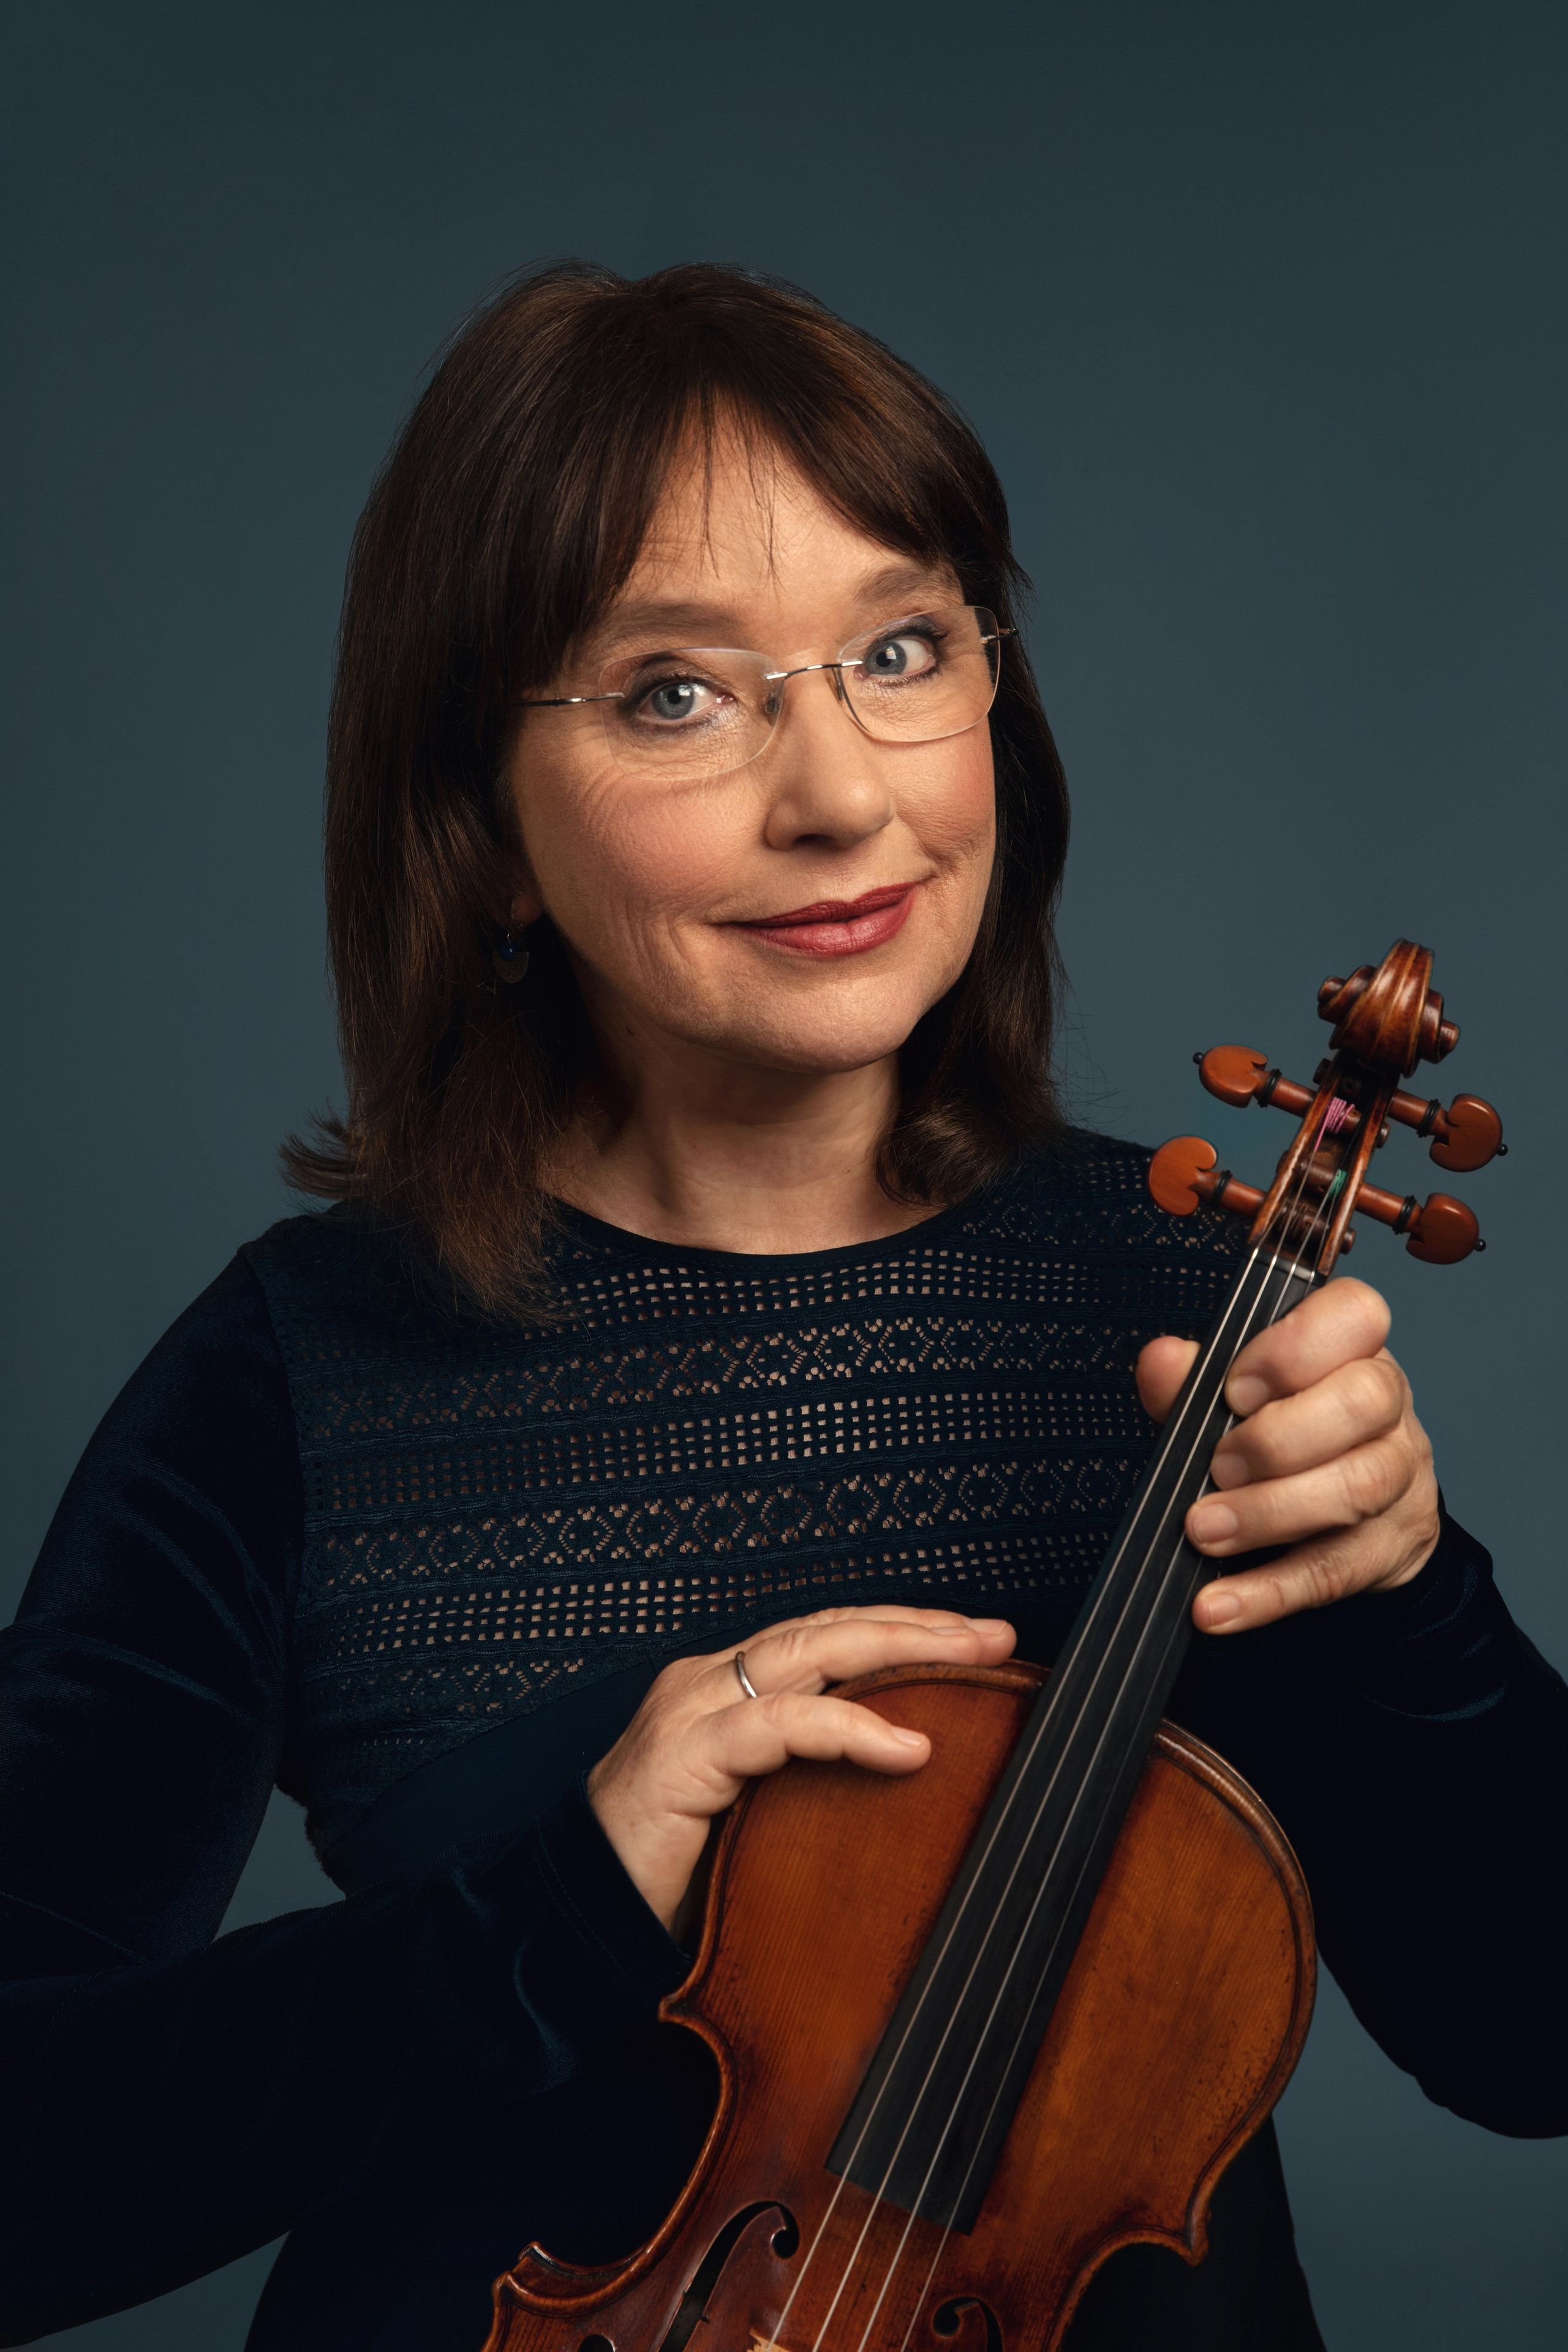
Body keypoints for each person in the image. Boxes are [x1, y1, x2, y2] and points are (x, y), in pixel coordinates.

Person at [0, 262, 1562, 2352]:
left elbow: (1530, 2042)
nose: (841, 794)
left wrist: (1407, 1603)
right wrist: (562, 1907)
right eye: (676, 690)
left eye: (901, 649)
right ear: (481, 826)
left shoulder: (1197, 1308)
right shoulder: (297, 1379)